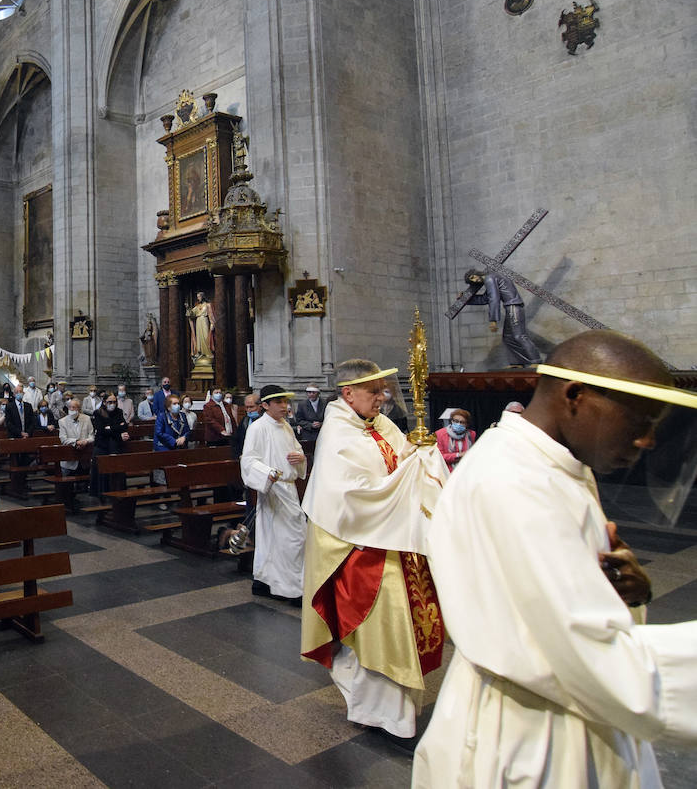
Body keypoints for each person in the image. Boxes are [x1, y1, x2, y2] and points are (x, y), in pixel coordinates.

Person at [413, 331, 697, 787]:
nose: (646, 441)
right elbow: (597, 663)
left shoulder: (548, 464)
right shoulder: (516, 483)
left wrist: (627, 594)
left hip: (564, 707)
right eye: (639, 420)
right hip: (532, 736)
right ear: (576, 396)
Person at [300, 360, 445, 745]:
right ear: (348, 393)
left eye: (383, 391)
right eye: (374, 392)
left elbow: (401, 456)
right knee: (384, 625)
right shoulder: (338, 433)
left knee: (406, 620)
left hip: (390, 536)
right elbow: (352, 495)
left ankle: (388, 710)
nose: (382, 399)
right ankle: (379, 711)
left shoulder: (377, 423)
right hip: (357, 546)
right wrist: (405, 475)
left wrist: (421, 451)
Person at [240, 385, 307, 602]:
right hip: (273, 489)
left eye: (285, 402)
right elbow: (248, 460)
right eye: (278, 402)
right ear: (265, 405)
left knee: (281, 538)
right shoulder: (257, 428)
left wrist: (300, 458)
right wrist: (268, 473)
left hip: (288, 489)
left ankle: (265, 581)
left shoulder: (285, 426)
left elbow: (297, 451)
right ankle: (291, 588)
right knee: (289, 538)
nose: (284, 406)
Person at [90, 391, 130, 497]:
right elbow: (101, 431)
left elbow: (124, 426)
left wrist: (110, 428)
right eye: (109, 402)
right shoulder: (97, 413)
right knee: (103, 475)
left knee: (117, 474)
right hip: (102, 446)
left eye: (114, 402)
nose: (112, 404)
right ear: (104, 402)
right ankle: (102, 497)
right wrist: (117, 430)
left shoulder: (119, 411)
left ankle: (119, 495)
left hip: (115, 446)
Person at [57, 398, 94, 475]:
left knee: (84, 483)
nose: (71, 409)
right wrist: (76, 442)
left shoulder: (86, 419)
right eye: (70, 407)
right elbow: (63, 439)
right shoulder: (62, 421)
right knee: (67, 486)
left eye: (74, 407)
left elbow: (92, 436)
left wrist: (85, 441)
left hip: (84, 458)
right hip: (69, 460)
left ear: (79, 409)